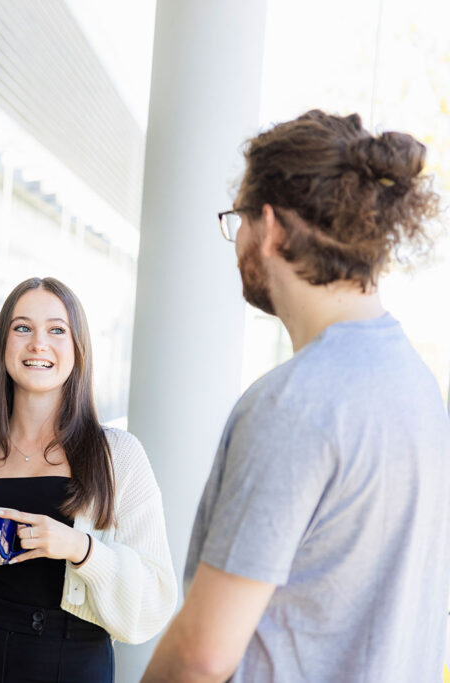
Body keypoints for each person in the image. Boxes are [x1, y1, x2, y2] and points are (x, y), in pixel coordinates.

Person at [143, 110, 450, 682]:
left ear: (271, 226)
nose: (236, 242)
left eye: (237, 220)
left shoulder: (295, 404)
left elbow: (202, 654)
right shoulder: (417, 384)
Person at [0, 277, 176, 683]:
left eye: (56, 330)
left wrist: (81, 549)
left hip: (72, 666)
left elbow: (155, 601)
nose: (38, 343)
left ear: (77, 349)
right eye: (22, 327)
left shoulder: (119, 457)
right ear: (2, 346)